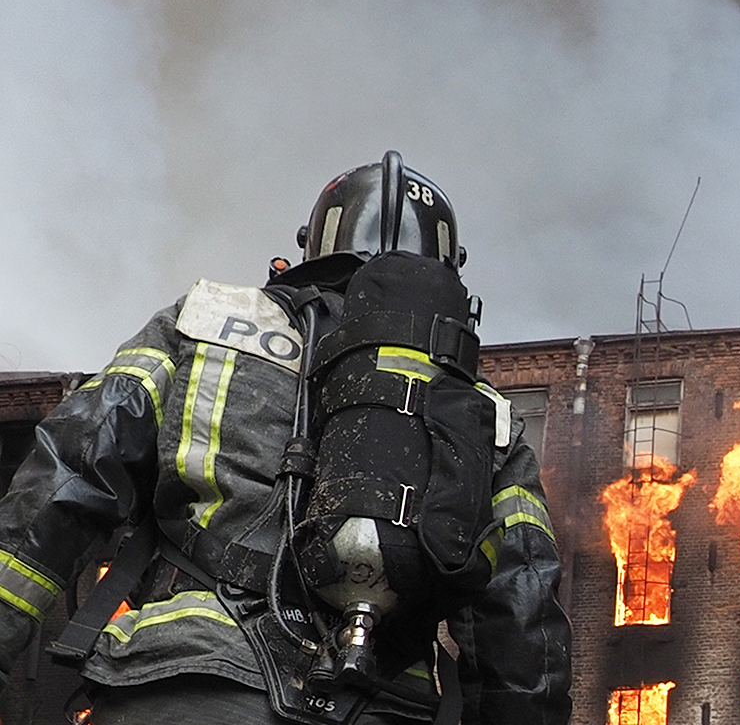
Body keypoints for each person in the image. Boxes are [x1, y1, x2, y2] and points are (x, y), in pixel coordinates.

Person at [0, 154, 571, 724]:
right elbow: (522, 608)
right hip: (384, 702)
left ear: (312, 245)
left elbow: (70, 469)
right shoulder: (485, 412)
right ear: (451, 269)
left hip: (191, 680)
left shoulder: (206, 321)